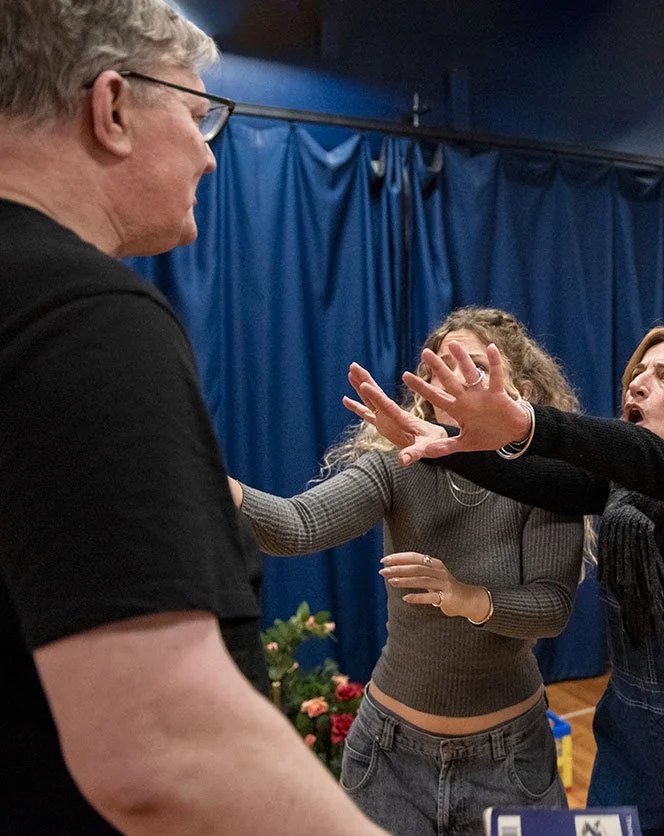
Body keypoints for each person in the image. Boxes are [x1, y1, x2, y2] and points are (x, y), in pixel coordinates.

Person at [0, 2, 387, 834]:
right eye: (198, 113)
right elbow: (165, 750)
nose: (210, 154)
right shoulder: (84, 317)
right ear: (111, 107)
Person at [344, 322, 664, 836]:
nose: (638, 384)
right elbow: (533, 478)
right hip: (630, 736)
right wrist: (449, 445)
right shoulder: (618, 487)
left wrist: (527, 422)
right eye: (638, 373)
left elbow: (645, 458)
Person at [229, 306, 586, 835]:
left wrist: (465, 597)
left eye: (473, 366)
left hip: (510, 759)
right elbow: (295, 526)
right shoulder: (397, 463)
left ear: (523, 392)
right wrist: (197, 469)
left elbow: (552, 608)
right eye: (440, 366)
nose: (452, 378)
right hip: (389, 758)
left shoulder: (550, 482)